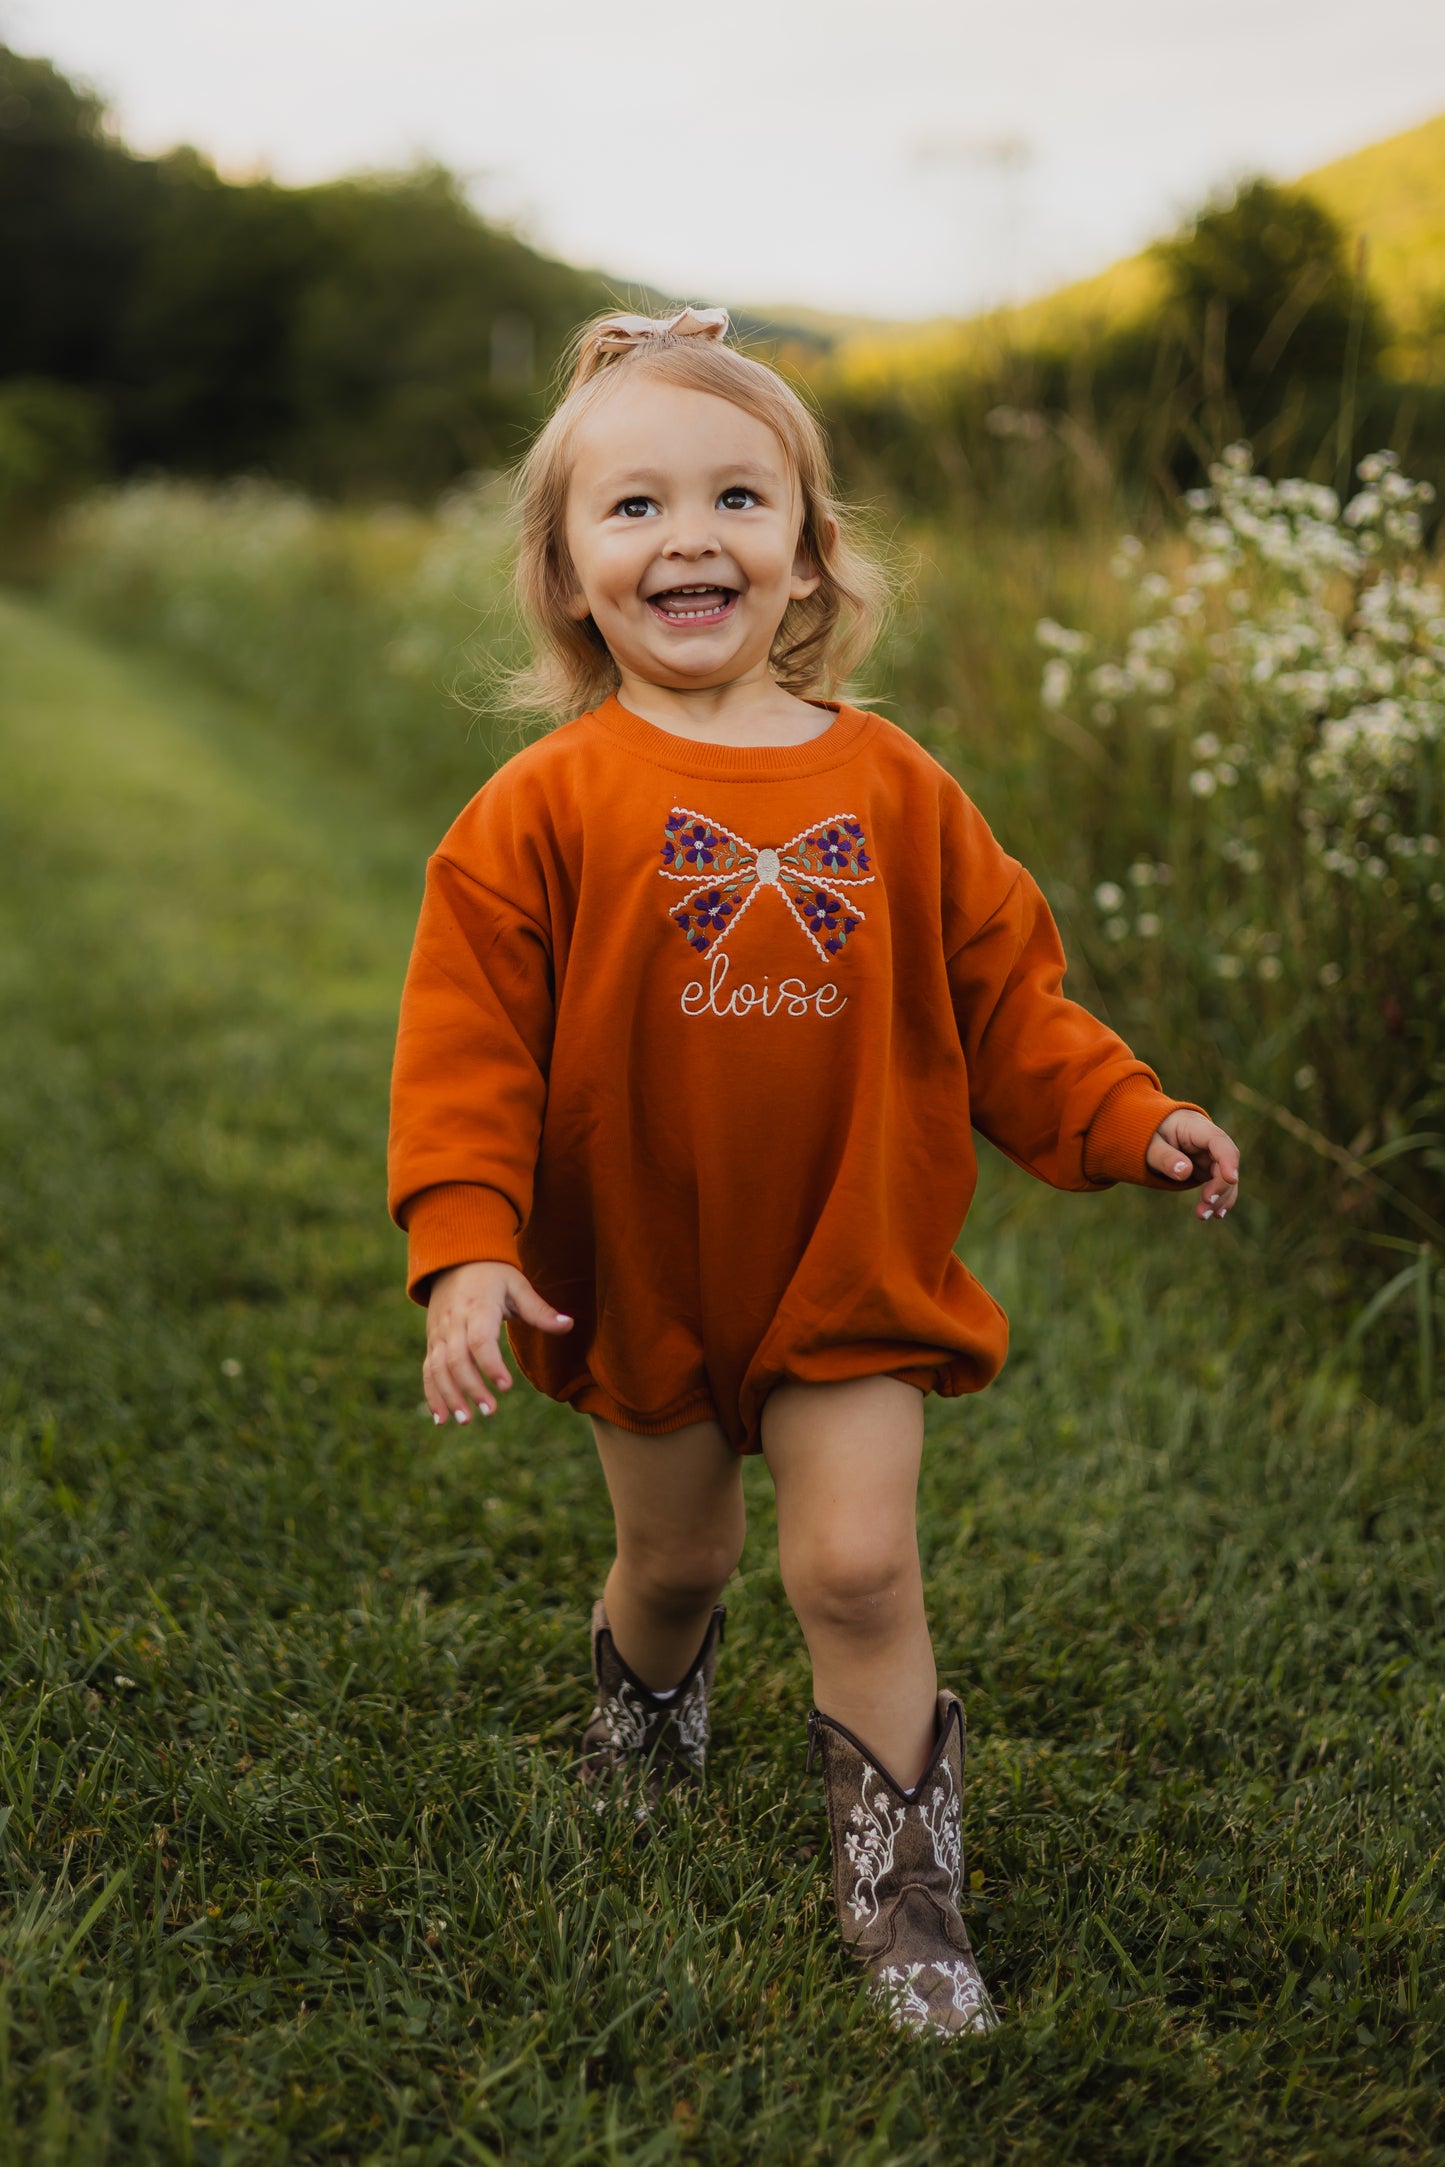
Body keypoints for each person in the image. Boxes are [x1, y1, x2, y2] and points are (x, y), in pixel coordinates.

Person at [386, 305, 1241, 2040]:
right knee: (679, 1563)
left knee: (856, 1569)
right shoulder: (536, 810)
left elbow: (1010, 1002)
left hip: (848, 1254)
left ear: (805, 553)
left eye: (735, 499)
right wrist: (467, 1245)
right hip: (636, 1266)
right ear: (562, 571)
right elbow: (466, 1049)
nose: (687, 536)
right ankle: (643, 1723)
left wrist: (1124, 1115)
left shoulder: (897, 787)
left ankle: (904, 1896)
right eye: (630, 509)